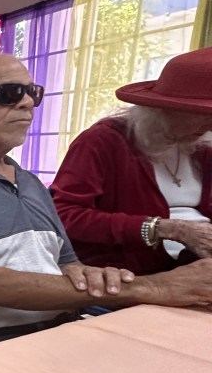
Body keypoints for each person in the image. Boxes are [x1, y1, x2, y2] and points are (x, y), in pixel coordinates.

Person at [0, 54, 212, 357]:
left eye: (32, 93)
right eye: (9, 94)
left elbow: (70, 266)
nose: (27, 103)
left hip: (59, 326)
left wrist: (111, 280)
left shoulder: (30, 183)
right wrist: (150, 288)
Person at [51, 47, 212, 275]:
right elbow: (64, 215)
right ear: (165, 108)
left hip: (194, 268)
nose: (210, 126)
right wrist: (162, 228)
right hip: (127, 276)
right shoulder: (103, 141)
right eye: (203, 114)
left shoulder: (202, 148)